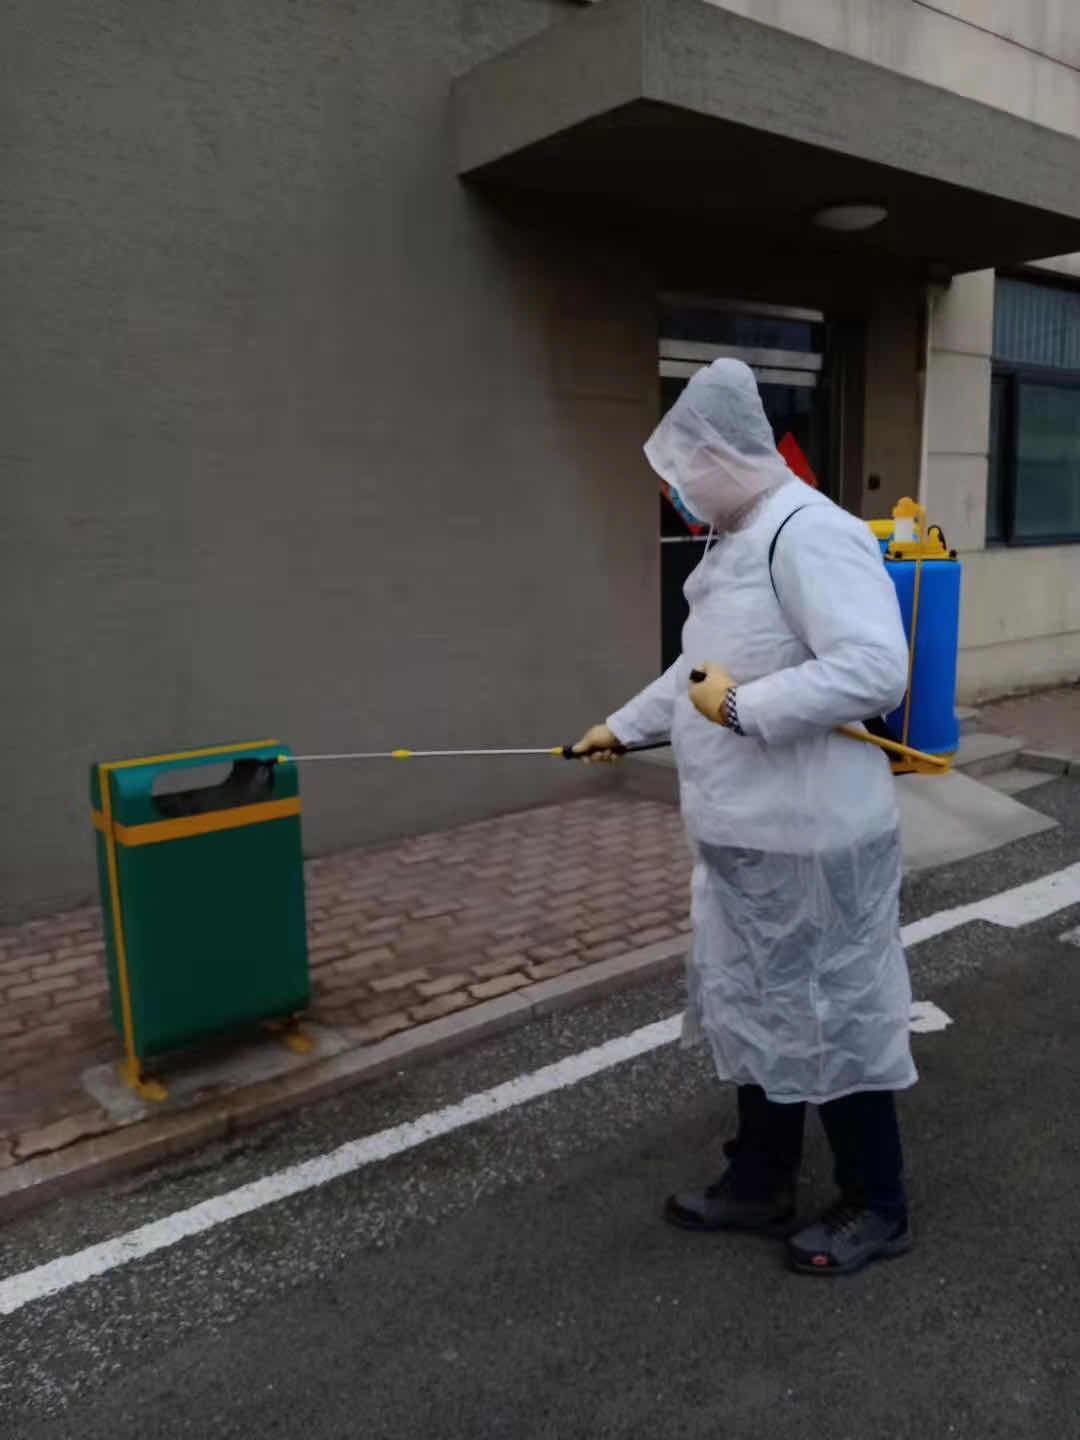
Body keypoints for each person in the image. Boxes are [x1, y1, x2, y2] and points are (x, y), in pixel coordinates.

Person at [574, 359, 917, 1277]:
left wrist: (741, 708)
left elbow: (876, 668)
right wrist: (623, 726)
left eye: (684, 471)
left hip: (817, 843)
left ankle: (877, 1203)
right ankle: (761, 1178)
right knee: (761, 1013)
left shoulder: (811, 533)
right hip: (746, 844)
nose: (677, 492)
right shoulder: (734, 544)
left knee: (835, 1019)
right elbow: (696, 672)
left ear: (725, 457)